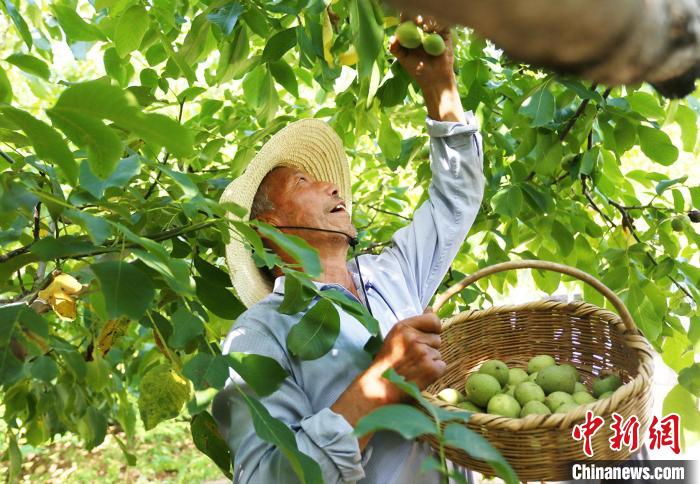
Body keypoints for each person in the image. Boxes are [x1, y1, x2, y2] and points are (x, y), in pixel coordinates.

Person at [213, 16, 485, 483]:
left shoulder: (390, 274)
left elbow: (455, 199)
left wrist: (440, 86)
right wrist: (379, 384)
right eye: (304, 181)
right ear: (270, 228)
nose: (331, 186)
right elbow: (265, 476)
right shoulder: (257, 335)